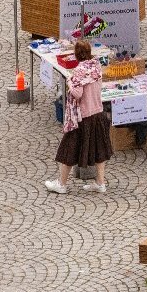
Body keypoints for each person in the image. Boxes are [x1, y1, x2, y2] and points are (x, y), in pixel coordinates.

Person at [47, 40, 112, 194]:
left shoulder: (79, 71)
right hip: (98, 113)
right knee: (99, 150)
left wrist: (69, 81)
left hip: (82, 117)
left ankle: (61, 184)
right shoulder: (96, 67)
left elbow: (78, 94)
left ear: (76, 55)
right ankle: (100, 183)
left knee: (68, 149)